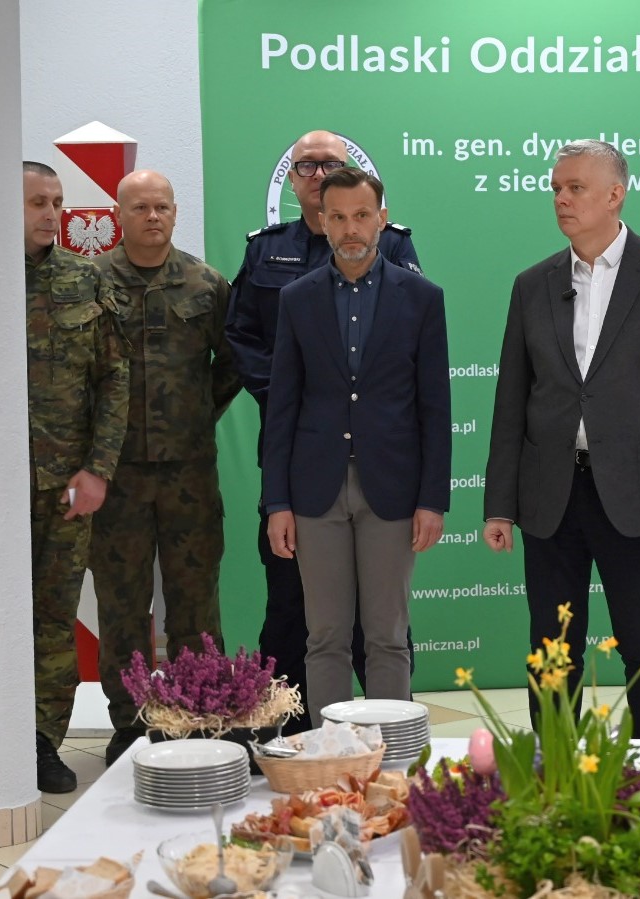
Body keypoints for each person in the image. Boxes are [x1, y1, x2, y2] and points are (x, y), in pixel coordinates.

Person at [482, 139, 640, 739]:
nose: (561, 199)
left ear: (616, 194)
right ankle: (554, 768)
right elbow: (511, 402)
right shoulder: (532, 284)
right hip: (551, 493)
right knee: (551, 646)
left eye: (576, 188)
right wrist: (500, 504)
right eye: (556, 189)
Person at [226, 130, 422, 731]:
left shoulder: (395, 249)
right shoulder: (267, 252)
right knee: (294, 607)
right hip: (299, 456)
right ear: (292, 180)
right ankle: (290, 733)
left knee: (382, 625)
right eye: (306, 166)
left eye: (328, 164)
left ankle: (385, 736)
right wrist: (296, 393)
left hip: (378, 465)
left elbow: (407, 357)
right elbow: (242, 337)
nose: (317, 175)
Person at [263, 167, 450, 722]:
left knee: (388, 635)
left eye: (362, 216)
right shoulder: (297, 299)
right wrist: (277, 502)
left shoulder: (422, 298)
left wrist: (432, 499)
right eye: (339, 217)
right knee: (324, 636)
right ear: (322, 221)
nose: (351, 229)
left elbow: (435, 408)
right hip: (314, 490)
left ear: (381, 219)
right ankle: (330, 755)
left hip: (392, 488)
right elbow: (282, 408)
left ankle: (391, 757)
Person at [92, 170, 242, 765]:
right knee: (122, 604)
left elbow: (233, 362)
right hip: (117, 474)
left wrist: (197, 412)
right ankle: (129, 722)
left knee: (194, 601)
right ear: (118, 215)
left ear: (175, 213)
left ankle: (198, 715)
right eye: (140, 208)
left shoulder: (207, 284)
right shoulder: (91, 282)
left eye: (162, 207)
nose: (153, 216)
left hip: (189, 474)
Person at [23, 161, 130, 791]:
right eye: (37, 201)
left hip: (64, 484)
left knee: (54, 616)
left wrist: (97, 470)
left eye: (57, 201)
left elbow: (114, 379)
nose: (50, 213)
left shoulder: (83, 278)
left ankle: (41, 741)